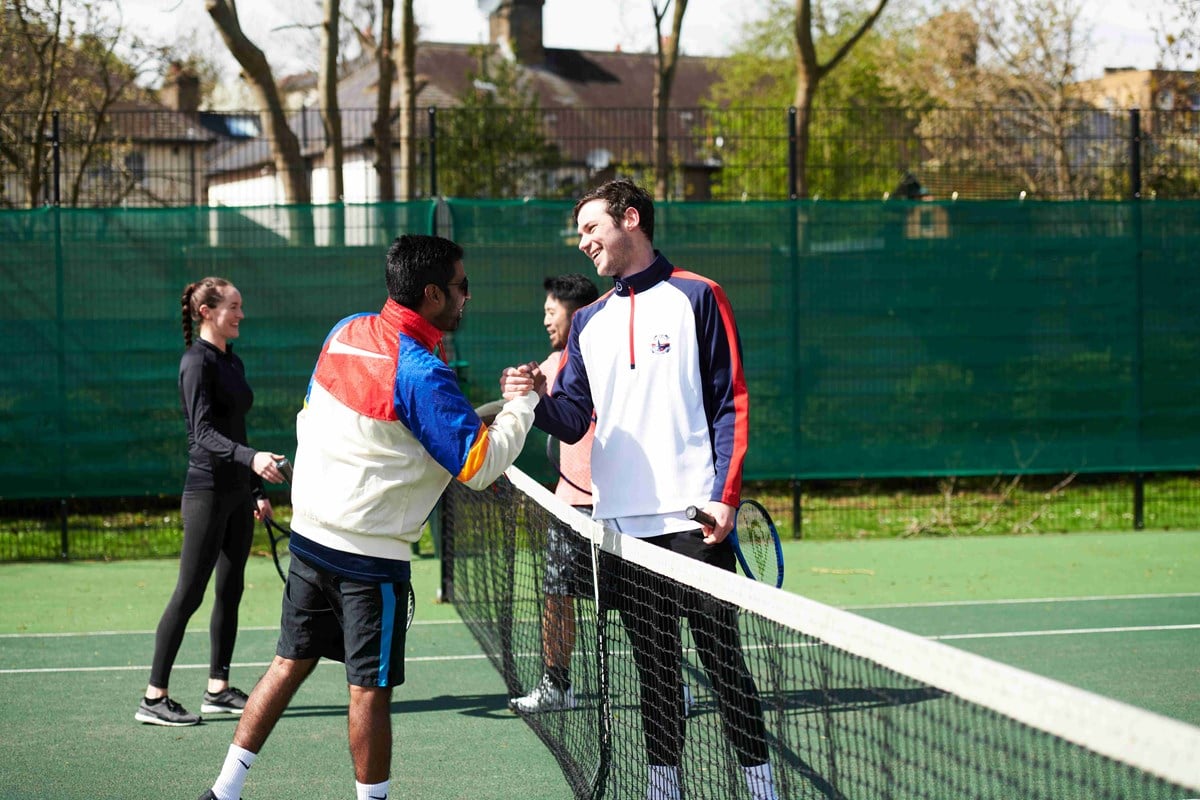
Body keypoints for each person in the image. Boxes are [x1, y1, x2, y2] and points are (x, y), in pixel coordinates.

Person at [196, 234, 543, 800]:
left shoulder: (345, 330)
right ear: (431, 294)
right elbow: (479, 467)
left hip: (310, 539)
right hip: (369, 563)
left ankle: (223, 792)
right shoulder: (422, 374)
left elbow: (364, 426)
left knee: (288, 665)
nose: (468, 296)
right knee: (369, 692)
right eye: (460, 287)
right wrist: (523, 404)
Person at [501, 179, 776, 800]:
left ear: (630, 219)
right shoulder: (589, 323)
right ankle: (663, 785)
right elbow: (573, 417)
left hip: (693, 519)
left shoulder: (699, 296)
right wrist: (535, 398)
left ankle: (761, 784)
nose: (584, 242)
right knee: (653, 669)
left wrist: (725, 497)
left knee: (722, 660)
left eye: (592, 228)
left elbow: (730, 400)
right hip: (620, 526)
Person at [137, 277, 287, 727]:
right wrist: (252, 459)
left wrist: (256, 488)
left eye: (241, 306)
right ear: (207, 311)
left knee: (231, 589)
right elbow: (202, 434)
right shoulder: (195, 363)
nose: (241, 314)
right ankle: (154, 697)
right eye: (234, 306)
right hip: (205, 493)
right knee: (189, 593)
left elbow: (235, 431)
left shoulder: (231, 361)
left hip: (239, 494)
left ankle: (217, 689)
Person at [509, 273, 600, 713]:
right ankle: (557, 685)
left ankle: (667, 685)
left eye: (551, 311)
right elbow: (518, 409)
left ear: (576, 312)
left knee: (643, 606)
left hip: (620, 503)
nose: (545, 319)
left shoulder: (608, 355)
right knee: (557, 594)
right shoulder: (549, 362)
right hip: (568, 505)